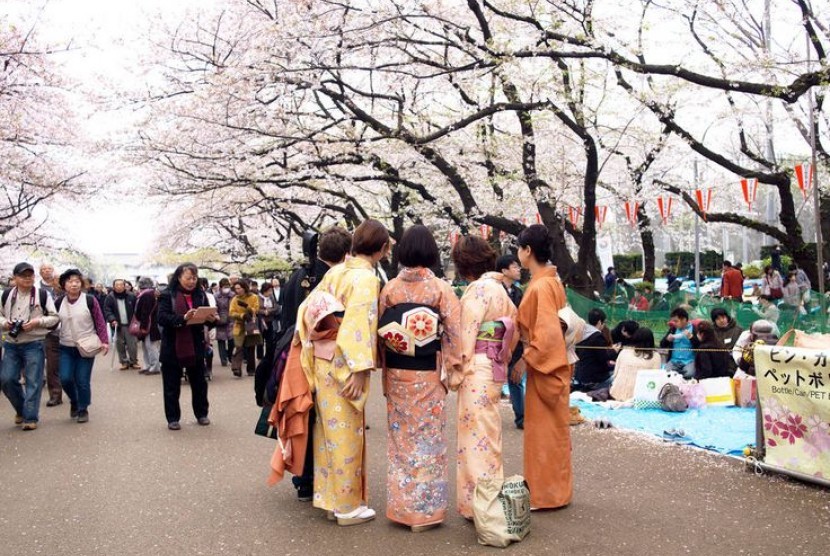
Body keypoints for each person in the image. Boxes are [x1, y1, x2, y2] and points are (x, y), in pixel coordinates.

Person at [297, 219, 389, 526]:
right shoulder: (365, 279)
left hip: (323, 360)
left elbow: (307, 311)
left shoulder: (336, 272)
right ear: (382, 249)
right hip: (344, 364)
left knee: (327, 434)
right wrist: (360, 370)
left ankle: (330, 499)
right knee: (347, 435)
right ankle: (348, 506)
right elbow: (357, 327)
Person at [378, 225, 461, 532]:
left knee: (401, 440)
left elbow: (381, 334)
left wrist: (383, 365)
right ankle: (425, 513)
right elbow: (454, 331)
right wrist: (453, 368)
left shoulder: (390, 290)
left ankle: (403, 509)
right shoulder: (440, 289)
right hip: (428, 373)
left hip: (399, 372)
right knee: (428, 439)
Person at [272, 226, 352, 503]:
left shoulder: (297, 275)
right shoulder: (334, 280)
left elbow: (284, 315)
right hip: (323, 356)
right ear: (346, 253)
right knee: (321, 417)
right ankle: (319, 478)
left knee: (301, 413)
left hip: (293, 349)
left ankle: (302, 479)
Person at [451, 235, 518, 519]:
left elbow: (465, 332)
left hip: (476, 366)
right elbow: (514, 329)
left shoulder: (478, 290)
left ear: (465, 264)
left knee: (476, 436)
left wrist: (456, 369)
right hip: (493, 365)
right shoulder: (499, 288)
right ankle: (490, 498)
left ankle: (480, 505)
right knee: (488, 434)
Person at [515, 224, 572, 510]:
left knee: (544, 434)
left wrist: (528, 357)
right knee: (552, 432)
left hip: (545, 364)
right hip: (552, 362)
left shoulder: (541, 285)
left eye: (519, 248)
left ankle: (546, 494)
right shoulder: (551, 281)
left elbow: (548, 333)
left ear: (527, 251)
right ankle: (554, 491)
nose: (517, 253)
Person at [0, 262, 60, 430]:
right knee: (7, 379)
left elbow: (55, 318)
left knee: (33, 381)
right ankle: (21, 409)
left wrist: (37, 322)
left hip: (34, 343)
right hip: (11, 343)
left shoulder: (42, 295)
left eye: (30, 275)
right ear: (15, 278)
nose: (28, 278)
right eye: (23, 275)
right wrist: (5, 323)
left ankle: (30, 417)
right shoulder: (6, 295)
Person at [157, 263, 217, 430]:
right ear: (179, 278)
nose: (192, 281)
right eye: (188, 278)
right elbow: (162, 318)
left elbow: (205, 321)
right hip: (173, 345)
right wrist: (182, 318)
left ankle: (202, 414)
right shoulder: (167, 295)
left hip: (196, 344)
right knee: (171, 385)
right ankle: (173, 418)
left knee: (199, 383)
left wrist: (212, 319)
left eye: (194, 278)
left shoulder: (200, 294)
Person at [54, 269, 110, 423]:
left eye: (77, 281)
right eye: (70, 281)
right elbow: (52, 322)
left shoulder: (90, 300)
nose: (74, 284)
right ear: (64, 285)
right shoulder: (58, 302)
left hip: (86, 347)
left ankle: (83, 408)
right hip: (66, 346)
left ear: (82, 284)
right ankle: (74, 400)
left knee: (82, 380)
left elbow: (99, 321)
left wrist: (104, 341)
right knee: (65, 378)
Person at [496, 253, 525, 429]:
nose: (518, 269)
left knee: (515, 379)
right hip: (496, 341)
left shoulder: (518, 292)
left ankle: (522, 417)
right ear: (504, 270)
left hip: (516, 342)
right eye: (514, 266)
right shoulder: (494, 290)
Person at [38, 263, 64, 407]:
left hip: (69, 332)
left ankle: (73, 390)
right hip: (50, 332)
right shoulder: (37, 290)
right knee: (52, 365)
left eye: (49, 269)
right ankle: (55, 394)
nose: (47, 271)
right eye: (44, 269)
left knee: (68, 366)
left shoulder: (67, 290)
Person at [610, 327, 660, 401]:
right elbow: (655, 379)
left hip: (616, 393)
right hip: (640, 397)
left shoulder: (624, 351)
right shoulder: (655, 356)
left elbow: (615, 373)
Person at [572, 308, 616, 392]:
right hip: (593, 380)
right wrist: (614, 351)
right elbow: (603, 358)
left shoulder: (581, 332)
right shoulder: (597, 336)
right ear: (600, 322)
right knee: (616, 376)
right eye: (604, 323)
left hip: (579, 377)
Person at [103, 279, 139, 370]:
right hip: (117, 325)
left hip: (130, 325)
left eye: (121, 285)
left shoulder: (131, 296)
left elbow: (137, 309)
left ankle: (134, 361)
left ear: (124, 286)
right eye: (117, 285)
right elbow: (107, 310)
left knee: (132, 344)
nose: (119, 287)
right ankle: (124, 362)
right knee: (120, 345)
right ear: (114, 286)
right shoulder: (110, 297)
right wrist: (112, 319)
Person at [229, 279, 260, 377]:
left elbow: (256, 310)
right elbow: (231, 313)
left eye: (239, 288)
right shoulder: (234, 299)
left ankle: (251, 369)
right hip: (239, 325)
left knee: (251, 347)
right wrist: (241, 315)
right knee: (238, 346)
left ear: (244, 288)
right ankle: (236, 368)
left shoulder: (254, 297)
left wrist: (247, 307)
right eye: (236, 289)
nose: (237, 290)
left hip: (250, 325)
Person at [134, 277, 161, 375]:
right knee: (146, 346)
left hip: (149, 325)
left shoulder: (146, 295)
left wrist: (143, 327)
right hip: (149, 324)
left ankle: (154, 367)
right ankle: (148, 366)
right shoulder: (149, 294)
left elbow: (146, 312)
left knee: (150, 346)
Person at [659, 307, 696, 379]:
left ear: (684, 320)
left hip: (689, 361)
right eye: (673, 321)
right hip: (674, 361)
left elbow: (700, 346)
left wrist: (691, 338)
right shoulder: (673, 329)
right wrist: (667, 340)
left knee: (689, 374)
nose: (674, 323)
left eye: (676, 321)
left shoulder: (694, 329)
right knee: (665, 373)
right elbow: (662, 344)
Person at [710, 308, 742, 374]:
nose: (721, 320)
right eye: (718, 319)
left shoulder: (738, 330)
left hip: (734, 361)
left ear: (727, 317)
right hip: (718, 362)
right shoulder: (711, 332)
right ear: (714, 321)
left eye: (723, 317)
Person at [214, 278, 234, 366]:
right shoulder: (216, 296)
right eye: (225, 287)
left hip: (231, 319)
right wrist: (216, 316)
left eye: (228, 286)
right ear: (221, 287)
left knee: (231, 340)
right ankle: (223, 359)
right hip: (220, 319)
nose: (227, 288)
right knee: (221, 340)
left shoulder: (233, 295)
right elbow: (214, 308)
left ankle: (230, 356)